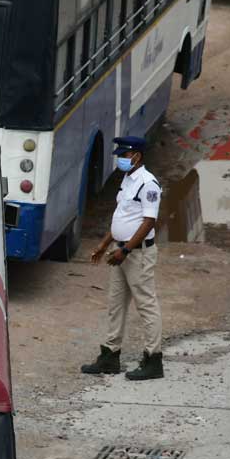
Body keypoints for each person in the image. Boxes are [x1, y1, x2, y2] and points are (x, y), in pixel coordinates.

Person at [82, 136, 165, 381]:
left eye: (124, 155)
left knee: (146, 305)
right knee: (115, 304)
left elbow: (149, 221)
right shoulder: (128, 179)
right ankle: (110, 356)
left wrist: (125, 250)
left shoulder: (148, 184)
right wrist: (104, 244)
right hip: (121, 252)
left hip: (137, 254)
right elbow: (122, 218)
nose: (120, 159)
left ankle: (153, 359)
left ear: (136, 156)